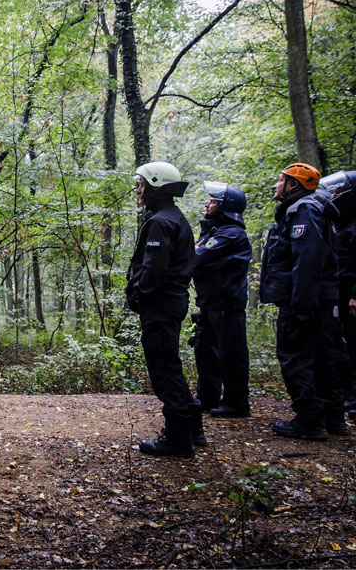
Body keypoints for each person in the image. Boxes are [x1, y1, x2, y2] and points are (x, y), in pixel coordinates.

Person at [260, 163, 346, 440]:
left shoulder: (304, 210)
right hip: (319, 300)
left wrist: (302, 305)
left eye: (280, 181)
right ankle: (333, 419)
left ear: (293, 185)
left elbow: (307, 260)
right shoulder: (313, 208)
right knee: (323, 357)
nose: (276, 185)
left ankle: (309, 420)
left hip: (306, 302)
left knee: (295, 357)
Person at [126, 161, 201, 457]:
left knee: (164, 369)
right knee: (169, 363)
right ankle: (192, 428)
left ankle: (178, 439)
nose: (139, 190)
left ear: (157, 185)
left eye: (142, 184)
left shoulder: (160, 221)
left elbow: (153, 271)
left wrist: (138, 295)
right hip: (170, 301)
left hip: (161, 304)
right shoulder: (171, 217)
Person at [192, 182, 252, 417]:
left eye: (214, 201)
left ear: (226, 207)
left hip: (227, 305)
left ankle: (237, 403)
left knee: (231, 355)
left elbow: (197, 257)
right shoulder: (215, 231)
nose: (208, 204)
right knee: (206, 352)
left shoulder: (232, 234)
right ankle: (207, 399)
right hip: (211, 303)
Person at [319, 171, 356, 419]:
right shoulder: (344, 223)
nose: (333, 196)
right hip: (340, 297)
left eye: (338, 192)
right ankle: (348, 398)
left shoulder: (353, 226)